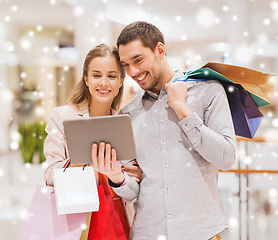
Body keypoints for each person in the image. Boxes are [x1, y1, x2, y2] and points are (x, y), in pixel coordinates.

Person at [91, 21, 236, 240]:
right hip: (147, 233)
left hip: (200, 232)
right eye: (126, 65)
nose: (133, 72)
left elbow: (226, 158)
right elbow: (134, 191)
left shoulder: (208, 91)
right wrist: (115, 176)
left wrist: (183, 110)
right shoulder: (129, 113)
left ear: (160, 50)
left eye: (138, 60)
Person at [43, 43, 143, 239]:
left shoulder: (129, 123)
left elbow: (133, 192)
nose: (103, 83)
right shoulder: (62, 117)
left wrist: (116, 176)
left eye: (112, 76)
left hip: (118, 222)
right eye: (97, 75)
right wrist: (76, 163)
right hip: (76, 221)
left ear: (121, 81)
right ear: (86, 79)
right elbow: (48, 176)